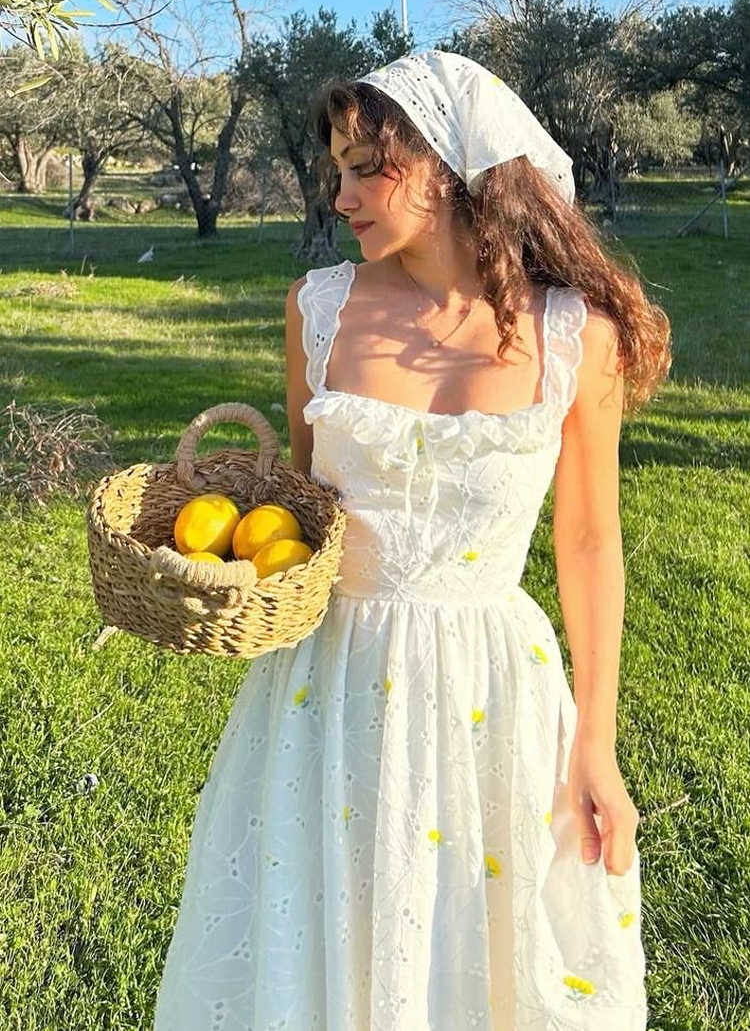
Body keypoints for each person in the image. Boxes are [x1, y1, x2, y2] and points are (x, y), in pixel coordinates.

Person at [153, 50, 671, 1031]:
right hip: (328, 687)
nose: (341, 196)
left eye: (364, 169)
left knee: (476, 951)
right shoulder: (319, 311)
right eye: (336, 171)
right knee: (328, 944)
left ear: (450, 166)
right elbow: (304, 510)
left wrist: (595, 746)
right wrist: (226, 569)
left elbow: (590, 541)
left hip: (493, 692)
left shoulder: (578, 335)